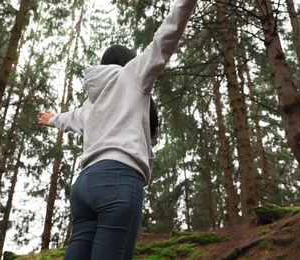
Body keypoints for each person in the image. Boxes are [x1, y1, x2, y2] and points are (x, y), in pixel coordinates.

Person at [38, 0, 198, 259]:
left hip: (83, 188)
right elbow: (164, 39)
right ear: (128, 60)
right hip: (117, 179)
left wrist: (51, 119)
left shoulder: (90, 103)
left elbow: (69, 119)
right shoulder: (132, 75)